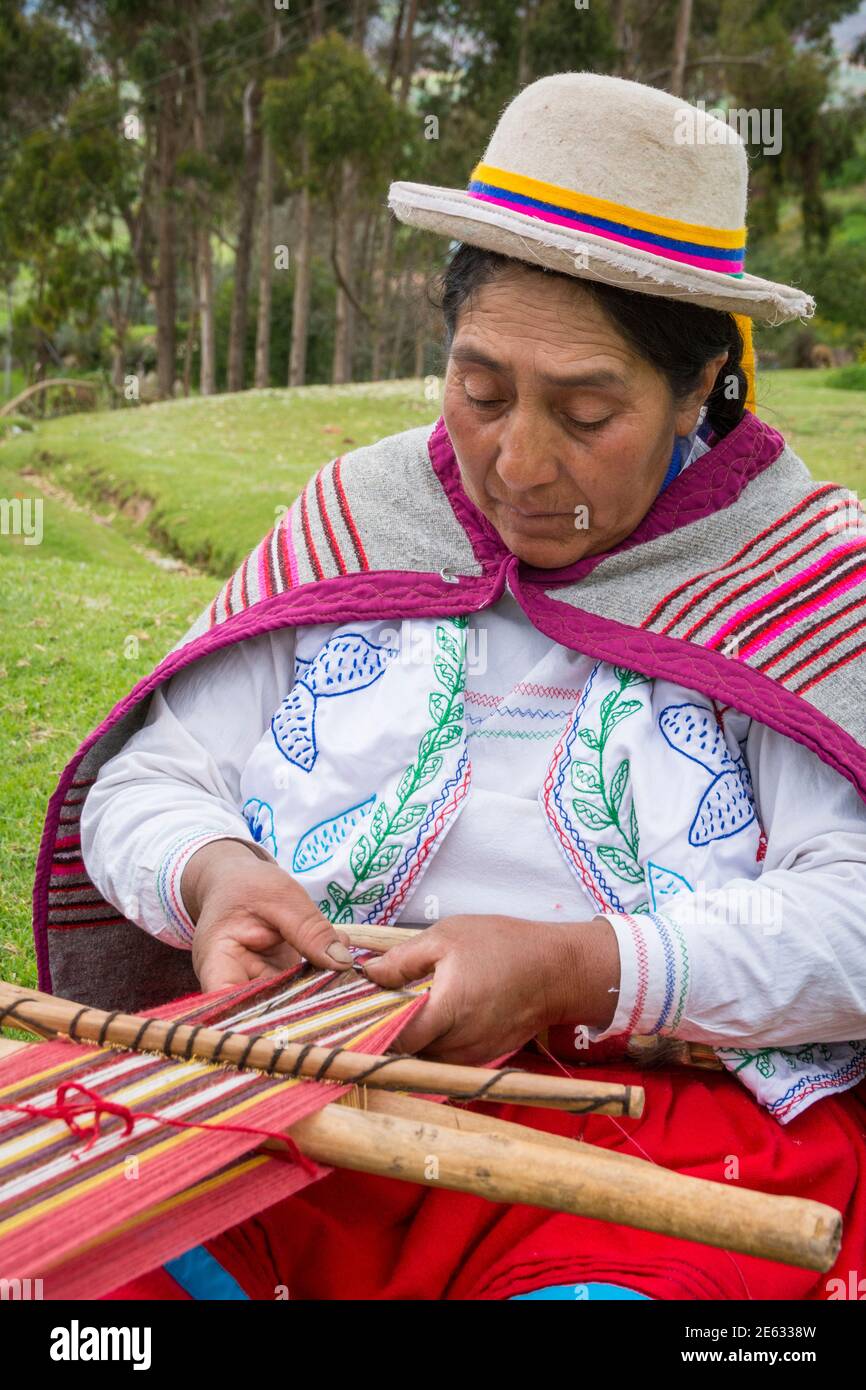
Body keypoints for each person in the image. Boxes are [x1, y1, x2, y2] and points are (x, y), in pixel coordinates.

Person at [38, 72, 866, 1301]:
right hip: (294, 1097)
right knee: (82, 1285)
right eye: (479, 391)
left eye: (586, 412)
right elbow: (153, 777)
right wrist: (216, 875)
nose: (517, 462)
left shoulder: (794, 576)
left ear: (700, 388)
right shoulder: (361, 519)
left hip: (653, 1121)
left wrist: (580, 967)